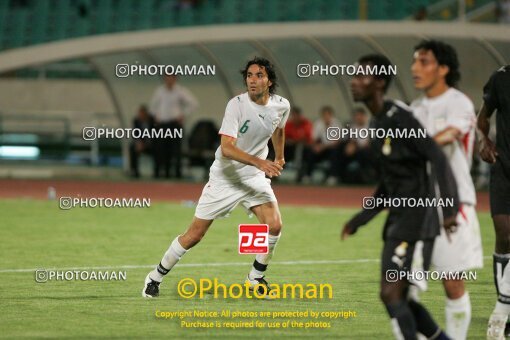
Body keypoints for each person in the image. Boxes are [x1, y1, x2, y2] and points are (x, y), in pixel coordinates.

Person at [142, 57, 290, 298]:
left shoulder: (282, 105)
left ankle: (255, 277)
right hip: (226, 177)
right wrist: (261, 162)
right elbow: (227, 147)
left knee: (274, 225)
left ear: (269, 81)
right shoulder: (237, 105)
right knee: (194, 235)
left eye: (259, 75)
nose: (252, 80)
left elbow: (279, 128)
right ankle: (155, 276)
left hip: (253, 176)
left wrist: (280, 157)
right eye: (249, 76)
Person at [341, 54, 459, 340]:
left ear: (380, 83)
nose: (354, 82)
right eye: (354, 76)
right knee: (399, 298)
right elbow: (388, 182)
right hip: (398, 222)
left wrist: (450, 209)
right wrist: (362, 218)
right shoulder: (376, 123)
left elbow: (437, 157)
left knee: (391, 293)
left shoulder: (401, 117)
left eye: (362, 76)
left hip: (418, 222)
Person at [410, 40, 483, 340]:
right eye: (414, 61)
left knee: (452, 283)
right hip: (417, 206)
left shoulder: (459, 103)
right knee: (401, 289)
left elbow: (450, 135)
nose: (415, 67)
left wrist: (410, 145)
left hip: (453, 205)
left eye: (423, 61)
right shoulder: (414, 109)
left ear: (443, 69)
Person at [479, 65, 510, 340]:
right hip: (503, 168)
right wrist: (484, 139)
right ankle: (503, 307)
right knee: (504, 234)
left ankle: (504, 310)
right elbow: (483, 117)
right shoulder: (500, 78)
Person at [150, 74, 199, 179]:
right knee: (162, 149)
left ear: (175, 79)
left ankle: (177, 173)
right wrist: (156, 115)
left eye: (171, 78)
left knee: (176, 150)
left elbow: (193, 103)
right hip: (162, 124)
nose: (169, 80)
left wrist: (183, 114)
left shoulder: (180, 91)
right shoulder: (160, 91)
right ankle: (162, 173)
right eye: (167, 78)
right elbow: (153, 107)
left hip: (174, 124)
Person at [331, 107, 375, 184]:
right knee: (338, 150)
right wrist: (350, 144)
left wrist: (356, 147)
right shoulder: (351, 126)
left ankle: (366, 177)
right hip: (354, 150)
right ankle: (335, 176)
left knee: (364, 153)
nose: (358, 118)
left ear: (364, 116)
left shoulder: (371, 125)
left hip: (366, 151)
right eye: (356, 116)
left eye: (360, 116)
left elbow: (370, 142)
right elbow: (348, 138)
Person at [298, 106, 341, 184]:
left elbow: (336, 141)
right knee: (309, 152)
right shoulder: (318, 123)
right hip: (319, 148)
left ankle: (332, 176)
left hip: (330, 149)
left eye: (328, 115)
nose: (326, 117)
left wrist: (323, 147)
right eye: (324, 115)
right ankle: (307, 175)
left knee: (335, 153)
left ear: (331, 115)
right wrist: (315, 146)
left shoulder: (336, 123)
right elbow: (313, 138)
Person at [129, 105, 156, 178]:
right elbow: (135, 134)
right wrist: (139, 143)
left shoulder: (152, 121)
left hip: (151, 144)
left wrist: (148, 143)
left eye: (142, 113)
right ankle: (134, 171)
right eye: (139, 113)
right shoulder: (136, 121)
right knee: (132, 148)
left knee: (158, 148)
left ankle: (156, 172)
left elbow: (155, 134)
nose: (141, 115)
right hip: (141, 144)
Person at [284, 106, 312, 173]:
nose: (295, 117)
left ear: (300, 115)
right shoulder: (289, 124)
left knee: (300, 146)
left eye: (296, 115)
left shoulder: (306, 123)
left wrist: (294, 140)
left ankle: (298, 167)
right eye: (293, 115)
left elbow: (306, 138)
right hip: (290, 147)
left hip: (304, 148)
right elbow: (284, 137)